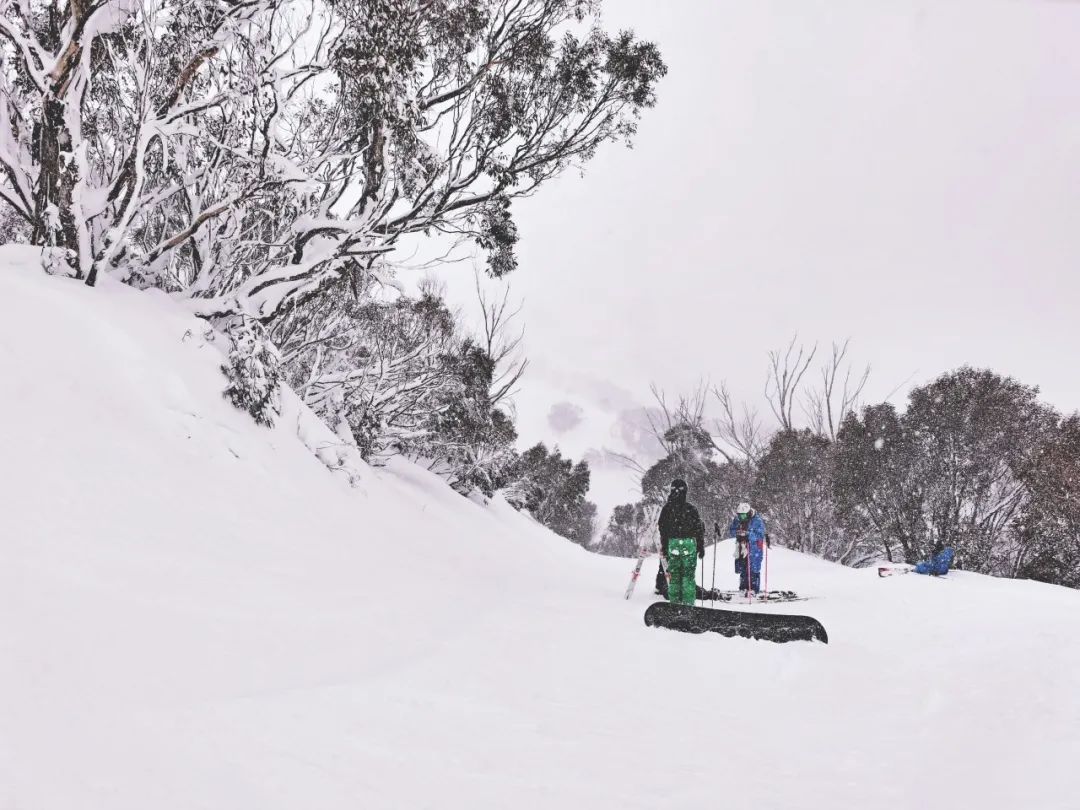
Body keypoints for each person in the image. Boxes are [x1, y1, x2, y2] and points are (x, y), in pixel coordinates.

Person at [654, 479, 705, 604]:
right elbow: (699, 528)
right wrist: (701, 545)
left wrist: (665, 546)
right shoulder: (691, 509)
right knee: (688, 577)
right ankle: (688, 605)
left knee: (675, 577)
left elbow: (663, 529)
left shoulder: (667, 509)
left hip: (673, 544)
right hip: (689, 544)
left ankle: (675, 605)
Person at [729, 501, 766, 594]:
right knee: (743, 567)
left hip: (755, 548)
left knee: (754, 568)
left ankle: (753, 589)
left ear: (749, 513)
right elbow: (732, 530)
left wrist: (748, 534)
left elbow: (760, 535)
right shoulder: (737, 520)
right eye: (740, 515)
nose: (742, 518)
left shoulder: (757, 520)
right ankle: (743, 588)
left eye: (744, 516)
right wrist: (738, 532)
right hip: (742, 546)